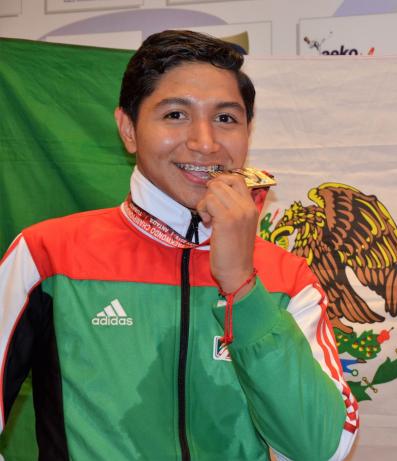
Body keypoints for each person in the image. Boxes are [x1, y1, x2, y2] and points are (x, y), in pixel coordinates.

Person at [0, 30, 358, 460]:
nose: (204, 142)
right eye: (175, 115)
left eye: (226, 118)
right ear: (128, 130)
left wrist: (243, 286)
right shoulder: (46, 255)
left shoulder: (288, 277)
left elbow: (322, 449)